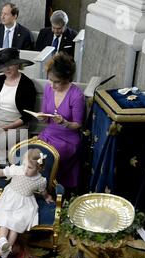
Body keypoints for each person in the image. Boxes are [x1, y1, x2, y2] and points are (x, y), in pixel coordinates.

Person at [0, 149, 51, 258]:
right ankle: (3, 240)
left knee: (15, 224)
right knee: (4, 218)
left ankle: (6, 249)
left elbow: (43, 191)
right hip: (10, 199)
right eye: (24, 164)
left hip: (25, 203)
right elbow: (3, 172)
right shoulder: (18, 170)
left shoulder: (41, 180)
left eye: (29, 167)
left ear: (39, 168)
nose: (25, 169)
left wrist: (47, 197)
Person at [38, 52, 85, 192]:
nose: (52, 85)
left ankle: (51, 190)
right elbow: (46, 117)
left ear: (66, 78)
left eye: (56, 82)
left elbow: (78, 124)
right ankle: (38, 189)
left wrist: (65, 123)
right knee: (34, 155)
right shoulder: (48, 88)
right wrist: (42, 117)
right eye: (50, 80)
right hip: (48, 134)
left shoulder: (76, 95)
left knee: (50, 159)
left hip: (68, 139)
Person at [0, 48, 36, 164]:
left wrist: (5, 127)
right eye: (4, 65)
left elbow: (27, 116)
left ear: (18, 65)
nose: (7, 68)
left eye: (11, 65)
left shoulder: (27, 84)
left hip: (17, 124)